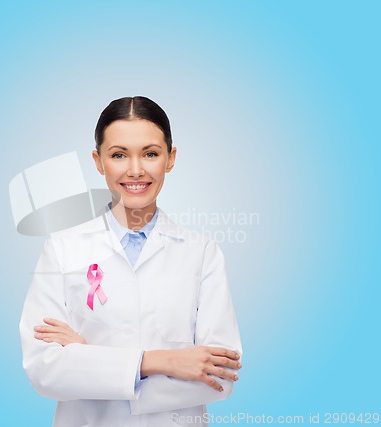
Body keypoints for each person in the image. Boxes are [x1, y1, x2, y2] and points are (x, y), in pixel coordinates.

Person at [20, 96, 242, 427]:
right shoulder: (62, 249)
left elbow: (220, 376)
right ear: (98, 161)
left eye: (150, 154)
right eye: (119, 155)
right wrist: (160, 361)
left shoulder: (202, 253)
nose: (135, 170)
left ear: (171, 158)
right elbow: (44, 370)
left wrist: (87, 360)